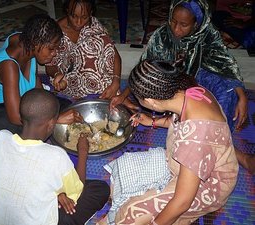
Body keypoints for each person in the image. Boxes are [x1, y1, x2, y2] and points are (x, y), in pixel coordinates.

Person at [110, 0, 255, 174]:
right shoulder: (162, 36)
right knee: (192, 123)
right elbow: (144, 71)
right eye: (173, 21)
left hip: (196, 84)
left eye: (184, 25)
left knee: (227, 90)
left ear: (197, 24)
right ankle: (230, 151)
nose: (176, 29)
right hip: (170, 88)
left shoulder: (207, 34)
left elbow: (224, 62)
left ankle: (219, 140)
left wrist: (242, 96)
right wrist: (124, 95)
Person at [99, 59, 239, 224]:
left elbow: (183, 201)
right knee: (123, 166)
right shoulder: (185, 90)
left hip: (208, 184)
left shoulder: (196, 136)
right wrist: (152, 121)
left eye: (140, 100)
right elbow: (175, 119)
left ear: (151, 101)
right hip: (182, 161)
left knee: (130, 213)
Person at [0, 14, 83, 183]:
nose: (54, 54)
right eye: (51, 49)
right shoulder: (9, 65)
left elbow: (35, 82)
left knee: (63, 105)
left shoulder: (26, 42)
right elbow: (15, 116)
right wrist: (55, 119)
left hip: (20, 99)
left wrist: (50, 106)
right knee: (32, 135)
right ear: (36, 44)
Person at [0, 88, 110, 225]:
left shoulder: (1, 137)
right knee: (100, 189)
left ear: (21, 117)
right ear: (52, 124)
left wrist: (58, 192)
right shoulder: (56, 156)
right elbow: (77, 190)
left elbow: (23, 172)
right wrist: (82, 152)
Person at [45, 0, 122, 99]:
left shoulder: (93, 26)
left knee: (99, 42)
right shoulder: (55, 31)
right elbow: (49, 66)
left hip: (92, 75)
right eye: (73, 16)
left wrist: (116, 82)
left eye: (84, 17)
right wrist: (57, 74)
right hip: (65, 80)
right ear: (67, 11)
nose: (78, 22)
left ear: (90, 13)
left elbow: (113, 54)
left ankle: (104, 91)